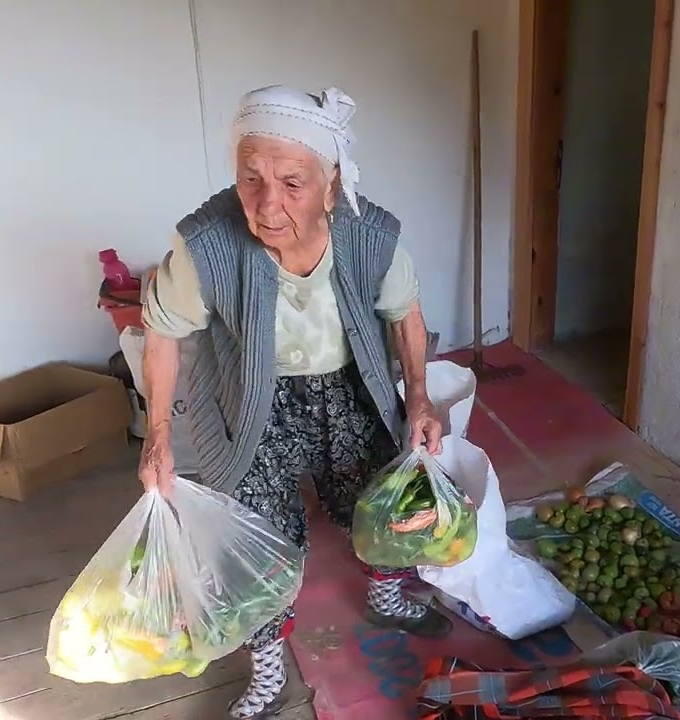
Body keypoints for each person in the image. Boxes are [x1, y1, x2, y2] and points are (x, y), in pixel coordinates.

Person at [138, 84, 450, 719]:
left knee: (381, 503)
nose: (267, 203)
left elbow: (405, 315)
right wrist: (159, 432)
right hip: (251, 399)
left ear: (331, 184)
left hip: (348, 388)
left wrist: (418, 397)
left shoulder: (370, 236)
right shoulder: (208, 246)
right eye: (250, 178)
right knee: (259, 539)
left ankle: (387, 596)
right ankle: (267, 668)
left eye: (292, 182)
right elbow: (164, 334)